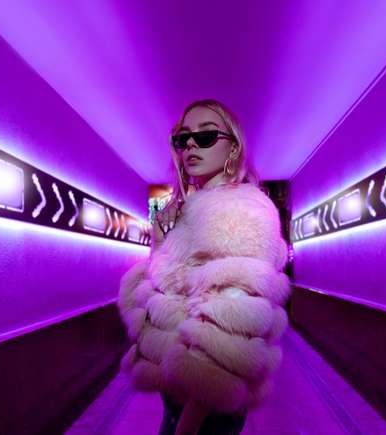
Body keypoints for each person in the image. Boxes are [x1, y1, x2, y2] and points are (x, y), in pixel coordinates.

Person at [117, 99, 291, 435]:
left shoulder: (240, 210)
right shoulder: (190, 211)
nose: (192, 145)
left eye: (207, 135)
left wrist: (188, 426)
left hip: (203, 404)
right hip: (180, 392)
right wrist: (160, 240)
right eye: (183, 138)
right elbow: (164, 290)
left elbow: (229, 333)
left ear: (233, 148)